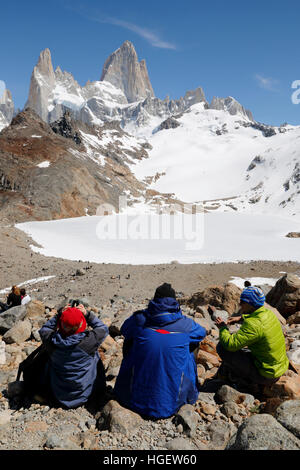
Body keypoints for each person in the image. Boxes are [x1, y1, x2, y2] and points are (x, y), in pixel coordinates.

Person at [114, 283, 206, 419]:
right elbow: (202, 333)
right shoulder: (185, 324)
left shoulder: (139, 319)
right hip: (173, 405)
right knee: (192, 343)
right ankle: (187, 390)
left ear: (154, 300)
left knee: (131, 340)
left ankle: (129, 382)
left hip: (134, 402)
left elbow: (124, 329)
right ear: (174, 302)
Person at [215, 286, 289, 388]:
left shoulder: (253, 325)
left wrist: (223, 328)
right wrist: (241, 318)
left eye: (242, 301)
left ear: (250, 304)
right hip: (278, 367)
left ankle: (243, 380)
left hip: (267, 374)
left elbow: (230, 345)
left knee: (222, 347)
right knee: (244, 349)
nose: (240, 304)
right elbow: (257, 320)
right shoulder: (268, 313)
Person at [38, 302, 109, 408]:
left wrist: (59, 315)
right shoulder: (89, 342)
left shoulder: (51, 341)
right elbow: (103, 328)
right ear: (81, 324)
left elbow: (44, 329)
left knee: (46, 355)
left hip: (58, 394)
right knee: (96, 355)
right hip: (85, 394)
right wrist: (87, 314)